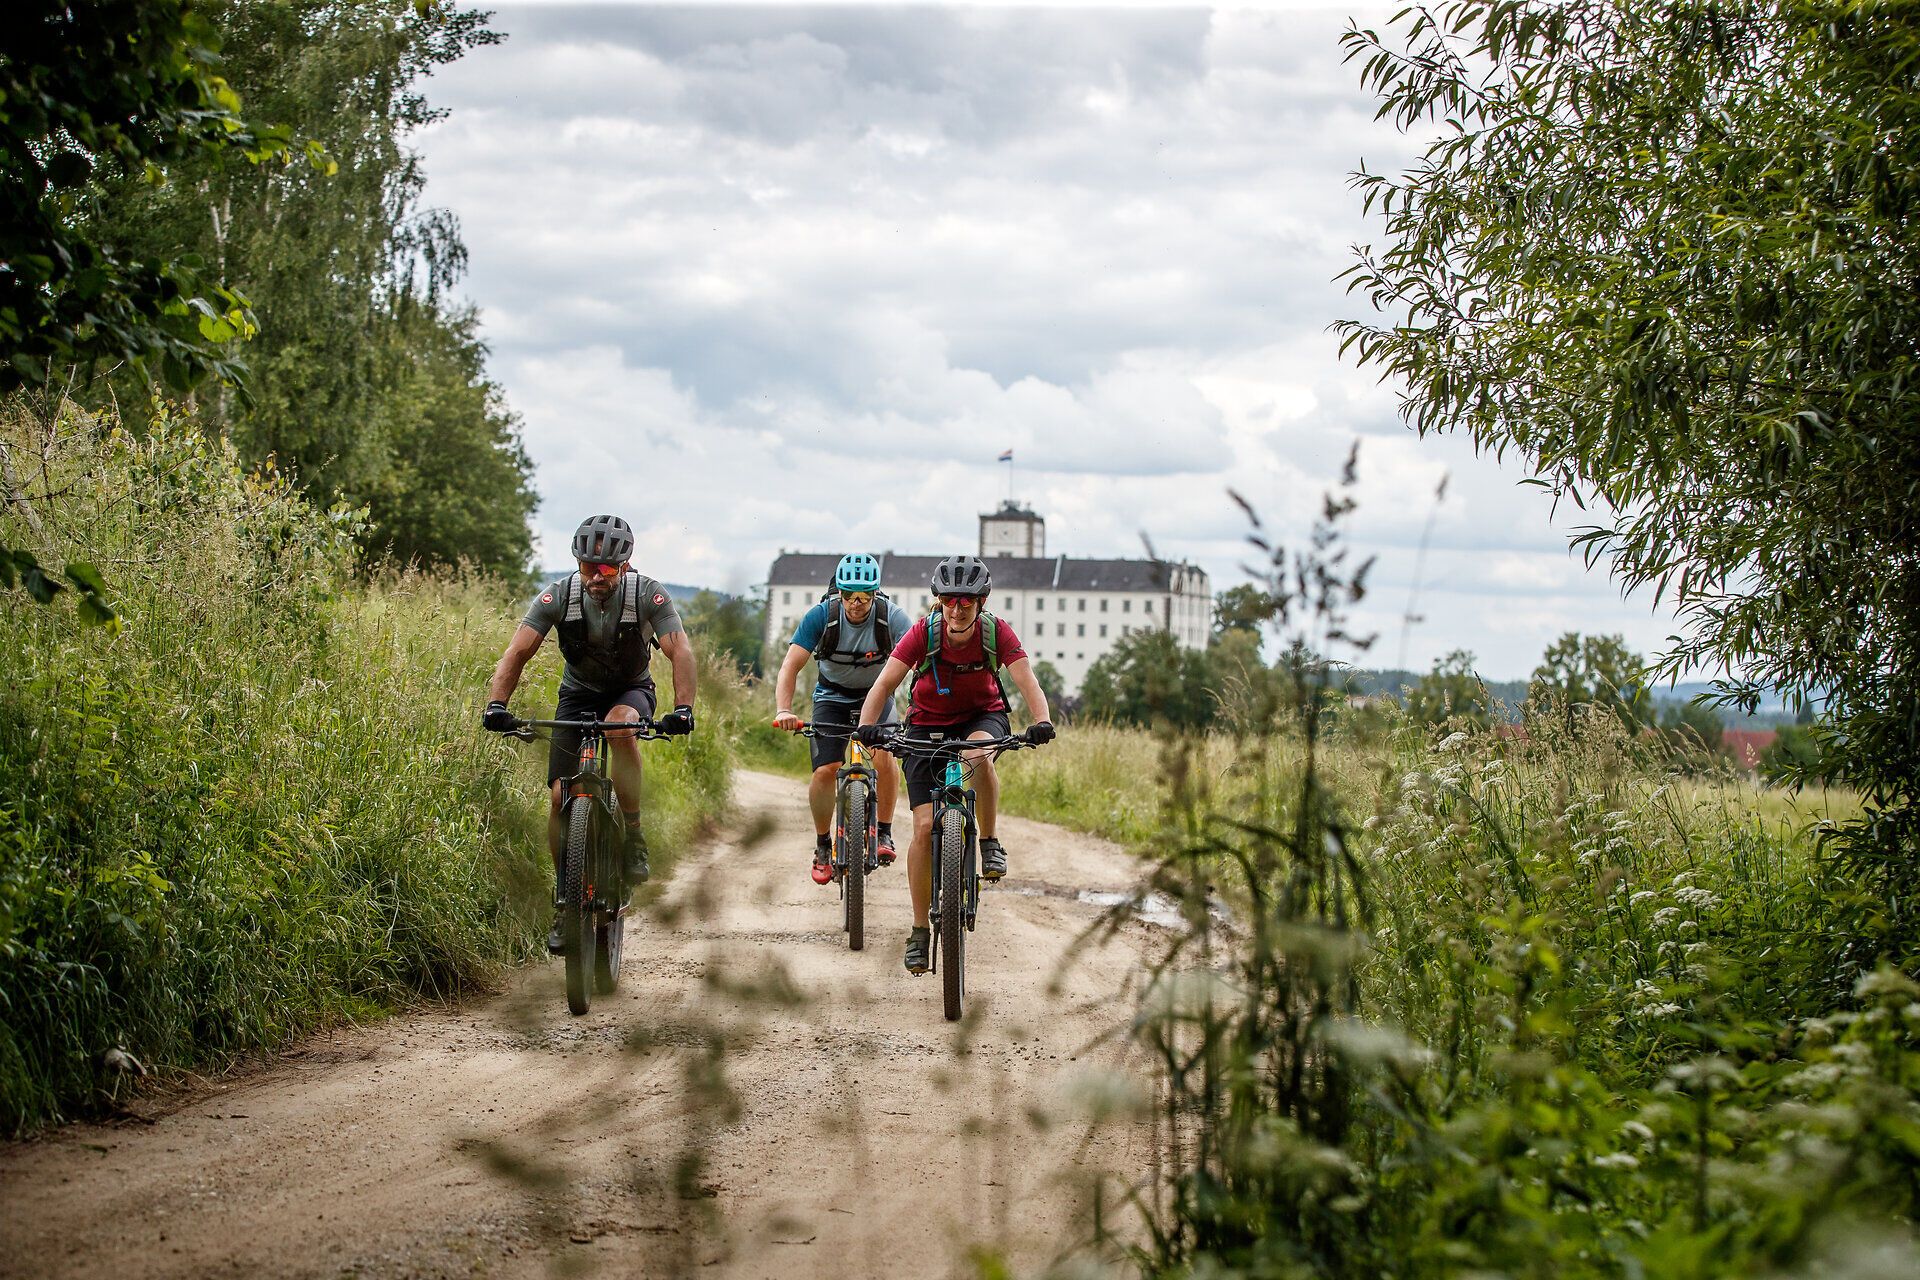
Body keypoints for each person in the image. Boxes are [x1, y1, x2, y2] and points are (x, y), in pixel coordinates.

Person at [483, 514, 697, 953]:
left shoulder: (648, 594)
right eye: (588, 567)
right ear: (577, 564)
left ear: (624, 565)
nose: (597, 576)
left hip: (630, 690)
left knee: (620, 727)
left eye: (607, 569)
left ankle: (633, 835)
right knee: (559, 795)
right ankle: (566, 901)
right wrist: (497, 705)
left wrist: (683, 709)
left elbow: (680, 650)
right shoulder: (558, 595)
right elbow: (518, 650)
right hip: (577, 695)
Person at [855, 554, 1055, 975]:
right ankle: (918, 931)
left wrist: (1042, 721)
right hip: (925, 725)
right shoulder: (923, 634)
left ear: (981, 601)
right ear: (939, 600)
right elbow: (884, 683)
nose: (957, 608)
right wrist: (867, 727)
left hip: (983, 717)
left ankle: (989, 843)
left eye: (966, 600)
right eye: (949, 599)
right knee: (925, 827)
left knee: (976, 753)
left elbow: (1026, 680)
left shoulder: (995, 631)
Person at [772, 553, 910, 883]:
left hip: (875, 699)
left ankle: (885, 832)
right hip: (831, 698)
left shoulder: (891, 617)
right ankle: (823, 845)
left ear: (876, 594)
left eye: (864, 596)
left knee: (885, 758)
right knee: (825, 771)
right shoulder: (822, 616)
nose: (856, 603)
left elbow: (918, 663)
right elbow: (790, 666)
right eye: (848, 595)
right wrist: (784, 709)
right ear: (839, 593)